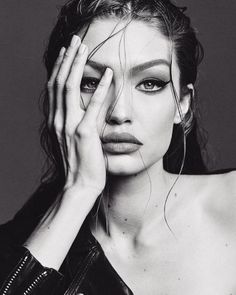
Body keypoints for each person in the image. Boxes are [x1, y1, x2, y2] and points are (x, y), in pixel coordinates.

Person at [0, 0, 235, 294]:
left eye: (150, 83)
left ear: (183, 105)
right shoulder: (17, 249)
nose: (119, 112)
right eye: (91, 82)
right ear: (61, 98)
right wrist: (79, 191)